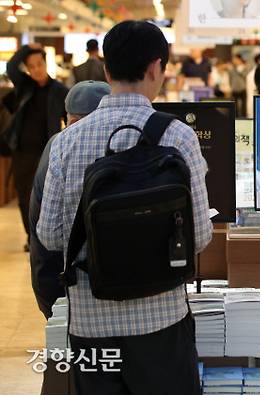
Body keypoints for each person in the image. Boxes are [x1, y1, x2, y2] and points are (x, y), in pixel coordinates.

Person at [37, 20, 212, 394]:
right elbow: (199, 235)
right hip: (161, 320)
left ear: (106, 69)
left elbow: (49, 235)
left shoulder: (66, 141)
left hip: (90, 324)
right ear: (155, 68)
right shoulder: (178, 135)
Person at [29, 80, 111, 321]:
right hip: (77, 282)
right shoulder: (64, 147)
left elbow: (43, 234)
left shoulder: (57, 144)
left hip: (59, 281)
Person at [6, 43, 68, 251]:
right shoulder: (24, 86)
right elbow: (12, 67)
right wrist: (26, 49)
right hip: (21, 151)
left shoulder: (59, 91)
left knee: (45, 194)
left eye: (39, 64)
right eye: (31, 66)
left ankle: (43, 235)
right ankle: (31, 236)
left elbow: (69, 120)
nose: (36, 69)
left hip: (47, 151)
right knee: (24, 196)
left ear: (45, 63)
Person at [246, 52, 260, 117]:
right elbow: (251, 95)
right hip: (256, 106)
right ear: (259, 61)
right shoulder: (252, 75)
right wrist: (250, 112)